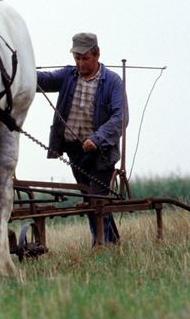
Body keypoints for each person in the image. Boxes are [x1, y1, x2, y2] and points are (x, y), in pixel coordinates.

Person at [37, 32, 128, 245]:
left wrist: (97, 139)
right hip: (75, 151)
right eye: (76, 58)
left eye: (84, 58)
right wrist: (20, 69)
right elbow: (44, 80)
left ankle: (100, 245)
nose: (80, 63)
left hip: (101, 151)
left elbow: (120, 117)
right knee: (90, 198)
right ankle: (111, 241)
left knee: (97, 199)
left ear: (97, 55)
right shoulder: (69, 76)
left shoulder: (112, 81)